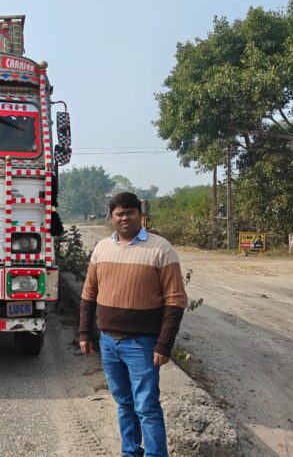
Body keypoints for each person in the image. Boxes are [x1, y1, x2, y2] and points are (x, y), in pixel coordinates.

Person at [79, 192, 188, 457]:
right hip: (108, 342)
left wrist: (164, 345)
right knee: (124, 403)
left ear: (140, 216)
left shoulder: (160, 249)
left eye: (130, 212)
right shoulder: (102, 248)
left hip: (142, 345)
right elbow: (89, 294)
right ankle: (130, 452)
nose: (125, 218)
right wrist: (84, 333)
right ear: (112, 217)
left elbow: (175, 300)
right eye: (119, 213)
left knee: (147, 407)